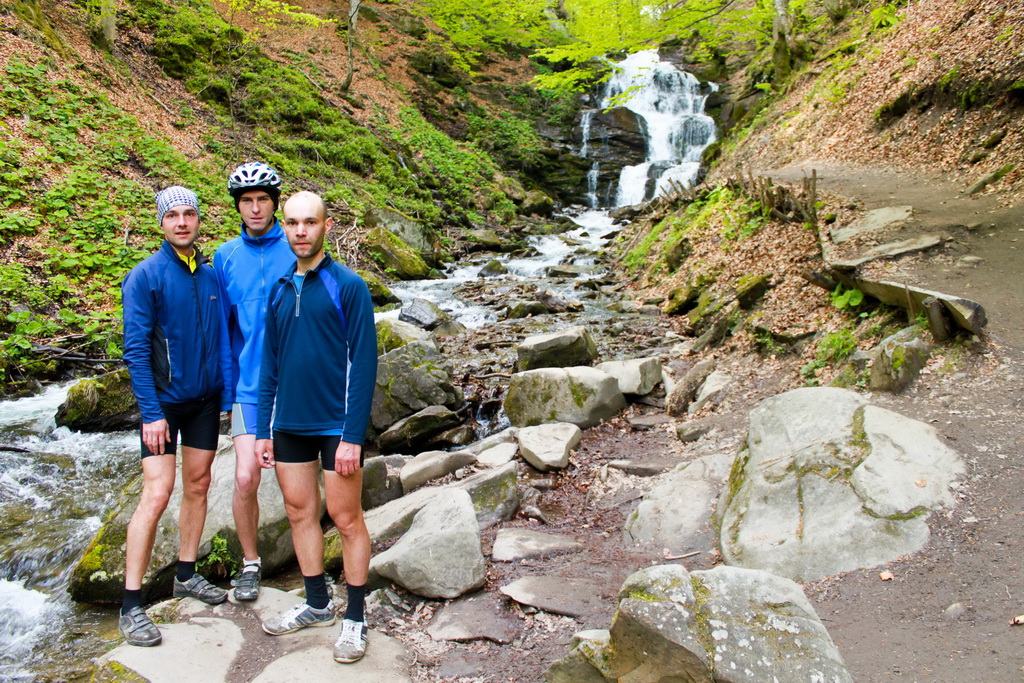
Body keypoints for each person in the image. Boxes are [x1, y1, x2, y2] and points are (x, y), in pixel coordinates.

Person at [254, 191, 377, 664]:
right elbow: (269, 364)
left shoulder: (349, 286)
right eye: (292, 223)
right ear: (283, 227)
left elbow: (363, 364)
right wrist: (262, 428)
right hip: (289, 423)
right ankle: (317, 603)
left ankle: (356, 619)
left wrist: (353, 436)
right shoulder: (279, 288)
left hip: (335, 425)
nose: (300, 231)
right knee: (298, 512)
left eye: (309, 222)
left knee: (346, 519)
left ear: (327, 226)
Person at [118, 186, 227, 647]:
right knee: (158, 492)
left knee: (198, 484)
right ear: (161, 223)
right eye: (173, 215)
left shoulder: (210, 277)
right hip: (162, 405)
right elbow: (135, 350)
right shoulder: (145, 277)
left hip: (204, 402)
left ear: (198, 220)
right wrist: (150, 413)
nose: (182, 222)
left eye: (189, 214)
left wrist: (224, 392)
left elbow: (221, 338)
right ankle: (131, 603)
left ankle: (185, 573)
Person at [213, 162, 294, 601]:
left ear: (275, 204)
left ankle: (311, 560)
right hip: (248, 388)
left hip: (294, 385)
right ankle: (249, 563)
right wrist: (227, 395)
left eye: (263, 199)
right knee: (245, 477)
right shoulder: (224, 257)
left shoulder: (297, 247)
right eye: (247, 201)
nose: (256, 208)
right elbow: (225, 332)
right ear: (238, 207)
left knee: (296, 478)